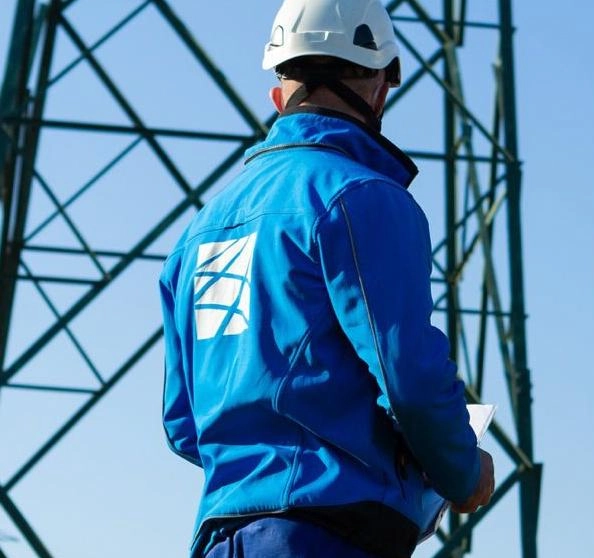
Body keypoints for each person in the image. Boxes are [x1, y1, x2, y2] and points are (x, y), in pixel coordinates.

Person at [158, 1, 494, 557]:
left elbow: (182, 424)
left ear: (278, 92)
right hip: (330, 534)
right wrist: (463, 471)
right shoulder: (363, 197)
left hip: (223, 537)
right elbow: (409, 376)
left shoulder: (198, 233)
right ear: (381, 87)